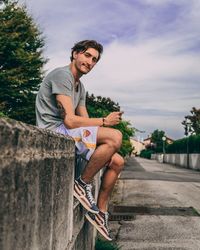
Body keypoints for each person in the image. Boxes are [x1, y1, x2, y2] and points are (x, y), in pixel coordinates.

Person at [35, 40, 124, 241]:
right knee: (115, 136)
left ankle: (100, 212)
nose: (90, 62)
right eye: (87, 55)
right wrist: (105, 121)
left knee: (117, 161)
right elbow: (70, 120)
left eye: (94, 60)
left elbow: (86, 124)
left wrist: (100, 129)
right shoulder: (62, 75)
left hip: (68, 131)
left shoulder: (80, 86)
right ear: (75, 54)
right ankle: (82, 183)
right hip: (54, 131)